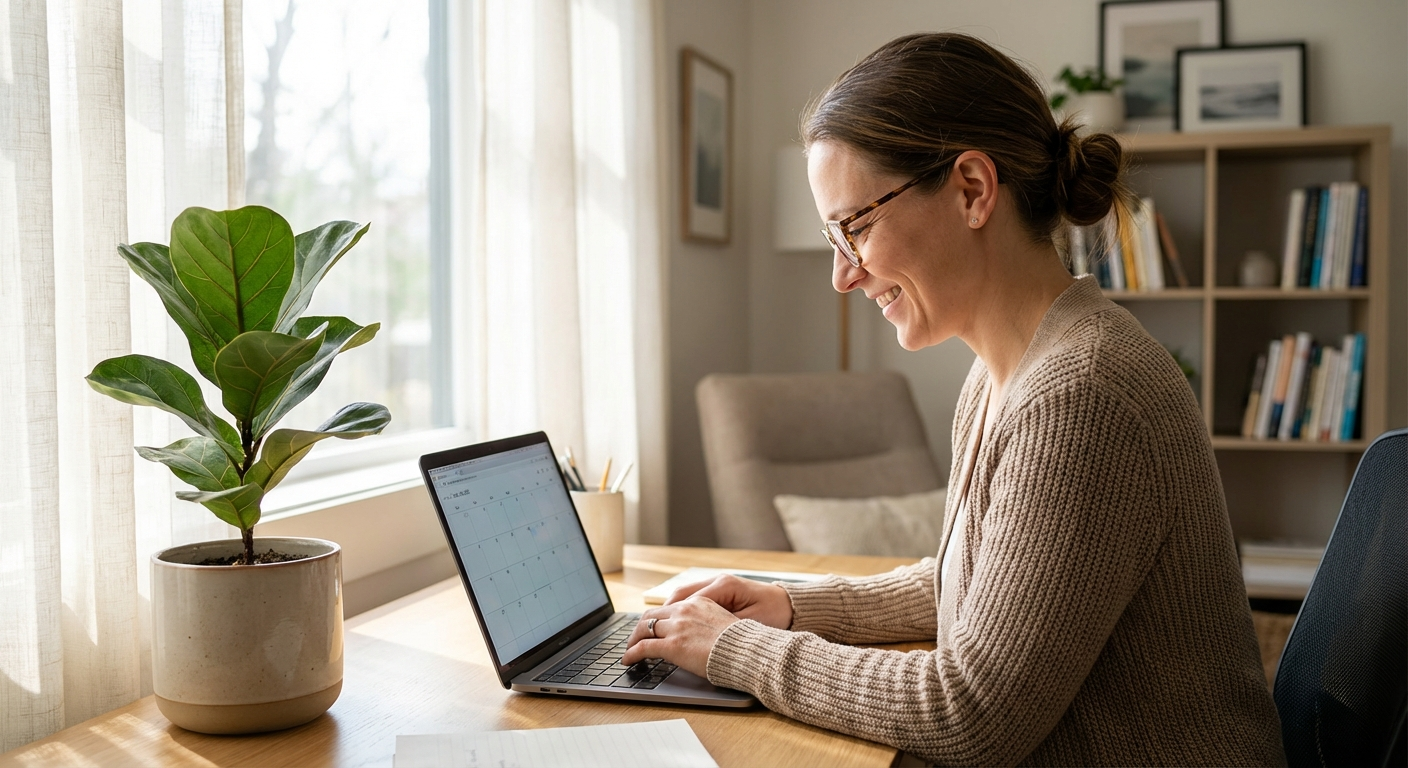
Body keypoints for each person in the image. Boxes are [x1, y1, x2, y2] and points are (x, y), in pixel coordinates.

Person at [623, 32, 1285, 765]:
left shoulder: (1083, 393)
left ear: (972, 189)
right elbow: (971, 586)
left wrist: (734, 650)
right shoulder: (1007, 370)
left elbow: (969, 711)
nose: (843, 276)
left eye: (856, 228)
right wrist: (789, 605)